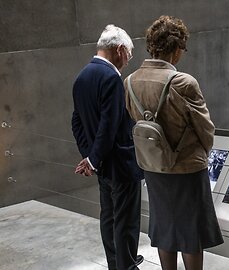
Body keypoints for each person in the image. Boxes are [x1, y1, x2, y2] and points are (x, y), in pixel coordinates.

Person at [125, 16, 223, 270]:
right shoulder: (183, 83)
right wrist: (204, 151)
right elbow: (205, 128)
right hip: (187, 167)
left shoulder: (131, 81)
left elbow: (132, 118)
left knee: (164, 226)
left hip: (154, 166)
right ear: (177, 49)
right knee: (191, 233)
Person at [71, 24, 144, 270]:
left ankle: (118, 263)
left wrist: (90, 157)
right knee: (127, 221)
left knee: (109, 217)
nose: (128, 60)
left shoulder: (82, 76)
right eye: (129, 54)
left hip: (102, 166)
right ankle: (127, 266)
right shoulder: (112, 78)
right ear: (120, 50)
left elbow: (77, 122)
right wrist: (92, 158)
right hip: (121, 164)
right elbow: (109, 125)